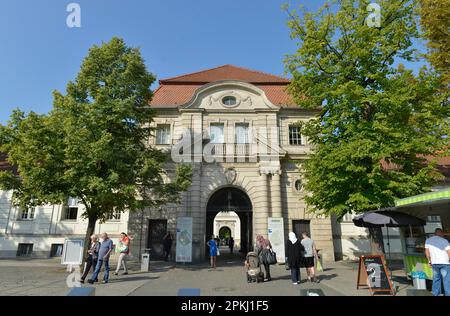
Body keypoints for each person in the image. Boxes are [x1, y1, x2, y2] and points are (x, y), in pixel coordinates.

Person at [425, 228, 450, 296]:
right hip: (445, 263)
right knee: (446, 280)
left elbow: (427, 251)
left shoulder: (428, 240)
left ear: (435, 233)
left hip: (434, 263)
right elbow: (449, 252)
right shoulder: (444, 240)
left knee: (436, 280)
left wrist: (429, 261)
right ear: (441, 233)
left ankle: (436, 294)